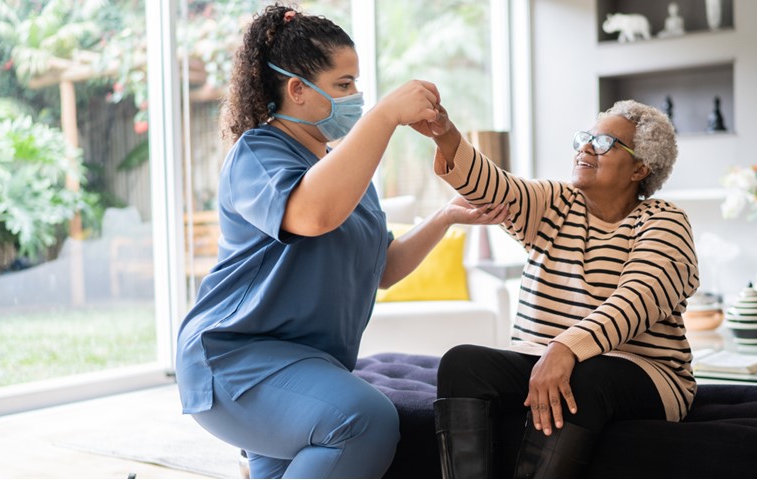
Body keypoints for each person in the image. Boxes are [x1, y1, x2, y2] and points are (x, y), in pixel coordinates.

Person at [173, 5, 507, 479]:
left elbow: (384, 267)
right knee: (364, 419)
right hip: (235, 361)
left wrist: (446, 216)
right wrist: (387, 114)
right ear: (297, 91)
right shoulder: (256, 152)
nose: (357, 97)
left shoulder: (347, 172)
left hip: (308, 367)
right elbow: (312, 215)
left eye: (358, 85)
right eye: (344, 85)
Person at [417, 100, 699, 477]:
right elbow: (495, 189)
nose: (585, 148)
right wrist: (446, 135)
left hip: (643, 371)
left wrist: (567, 348)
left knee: (587, 375)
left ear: (639, 169)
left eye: (603, 143)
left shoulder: (664, 221)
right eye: (585, 139)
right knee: (462, 362)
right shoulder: (556, 203)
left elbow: (638, 299)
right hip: (542, 359)